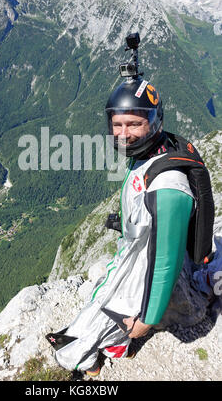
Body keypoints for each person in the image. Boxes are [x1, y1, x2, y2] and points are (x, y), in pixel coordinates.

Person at [46, 75, 212, 376]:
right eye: (117, 124)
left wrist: (147, 320)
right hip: (138, 257)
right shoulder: (153, 150)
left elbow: (165, 263)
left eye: (134, 124)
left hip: (148, 273)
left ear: (154, 122)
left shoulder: (168, 188)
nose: (123, 134)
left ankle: (117, 346)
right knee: (94, 305)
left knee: (72, 352)